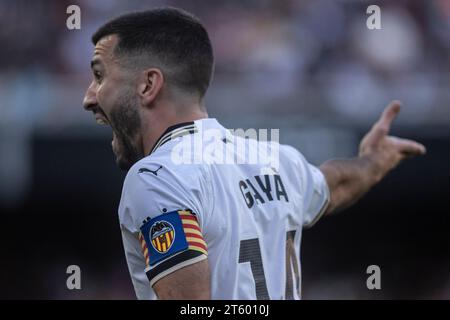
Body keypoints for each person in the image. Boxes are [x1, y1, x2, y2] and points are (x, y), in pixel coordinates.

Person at [82, 7, 426, 300]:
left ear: (147, 85)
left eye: (99, 76)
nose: (89, 97)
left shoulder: (156, 177)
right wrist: (374, 161)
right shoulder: (277, 159)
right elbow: (334, 184)